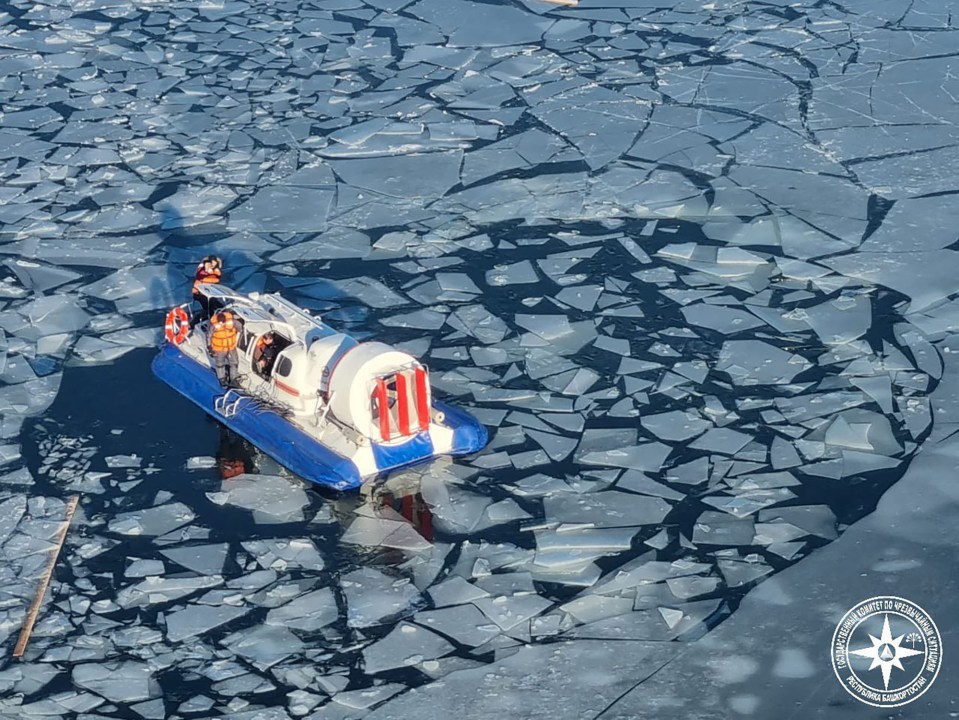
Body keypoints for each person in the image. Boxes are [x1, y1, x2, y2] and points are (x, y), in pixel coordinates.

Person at [209, 311, 239, 388]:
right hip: (219, 349)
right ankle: (222, 379)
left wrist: (237, 333)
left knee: (234, 363)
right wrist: (209, 347)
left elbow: (239, 327)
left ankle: (233, 379)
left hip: (231, 347)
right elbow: (209, 336)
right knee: (220, 364)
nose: (222, 324)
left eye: (223, 322)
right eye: (220, 322)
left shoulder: (232, 322)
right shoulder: (213, 326)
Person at [192, 255, 222, 322]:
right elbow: (200, 277)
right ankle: (194, 323)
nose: (212, 264)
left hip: (209, 294)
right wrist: (208, 272)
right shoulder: (201, 269)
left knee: (220, 307)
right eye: (211, 262)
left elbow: (217, 279)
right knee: (208, 310)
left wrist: (211, 273)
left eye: (214, 263)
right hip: (199, 294)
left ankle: (219, 320)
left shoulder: (216, 271)